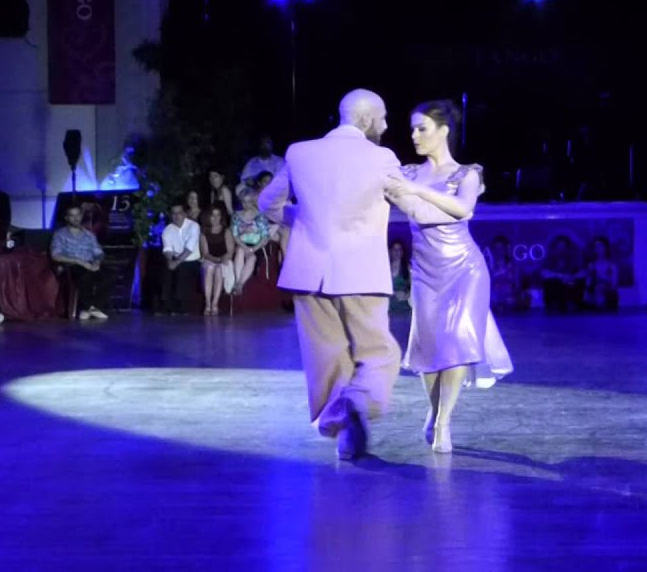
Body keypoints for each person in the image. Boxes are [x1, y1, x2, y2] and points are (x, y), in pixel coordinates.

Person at [258, 89, 404, 461]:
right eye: (383, 117)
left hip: (309, 272)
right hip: (360, 271)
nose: (386, 125)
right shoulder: (382, 157)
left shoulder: (300, 152)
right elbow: (408, 200)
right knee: (379, 353)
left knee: (328, 358)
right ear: (367, 119)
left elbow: (267, 204)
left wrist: (304, 220)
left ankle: (344, 436)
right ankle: (357, 400)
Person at [385, 99, 513, 454]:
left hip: (464, 268)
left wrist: (417, 194)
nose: (413, 135)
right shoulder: (407, 173)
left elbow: (463, 209)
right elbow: (413, 209)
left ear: (444, 131)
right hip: (426, 271)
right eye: (412, 128)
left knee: (456, 343)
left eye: (421, 128)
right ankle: (434, 410)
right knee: (429, 351)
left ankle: (443, 423)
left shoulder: (467, 173)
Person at [50, 202, 112, 321]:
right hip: (72, 265)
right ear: (66, 218)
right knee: (84, 274)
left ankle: (93, 308)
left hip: (90, 263)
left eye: (78, 215)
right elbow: (55, 255)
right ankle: (89, 307)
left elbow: (98, 252)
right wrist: (80, 262)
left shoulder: (89, 234)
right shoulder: (60, 234)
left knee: (110, 275)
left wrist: (97, 262)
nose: (76, 218)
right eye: (72, 215)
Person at [159, 201, 201, 315]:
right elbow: (167, 249)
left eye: (179, 213)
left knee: (183, 270)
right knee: (166, 269)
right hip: (176, 258)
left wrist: (176, 262)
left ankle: (180, 306)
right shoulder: (167, 230)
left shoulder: (194, 226)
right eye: (174, 213)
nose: (177, 216)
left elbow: (190, 248)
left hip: (192, 260)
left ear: (185, 214)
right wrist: (169, 261)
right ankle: (165, 304)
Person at [200, 205, 235, 314]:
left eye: (218, 215)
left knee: (219, 269)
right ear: (208, 217)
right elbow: (205, 253)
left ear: (221, 217)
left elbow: (230, 251)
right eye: (212, 215)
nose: (215, 218)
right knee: (210, 268)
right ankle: (207, 304)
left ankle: (215, 303)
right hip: (210, 259)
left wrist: (221, 260)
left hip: (224, 259)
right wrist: (216, 260)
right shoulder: (204, 232)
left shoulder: (226, 231)